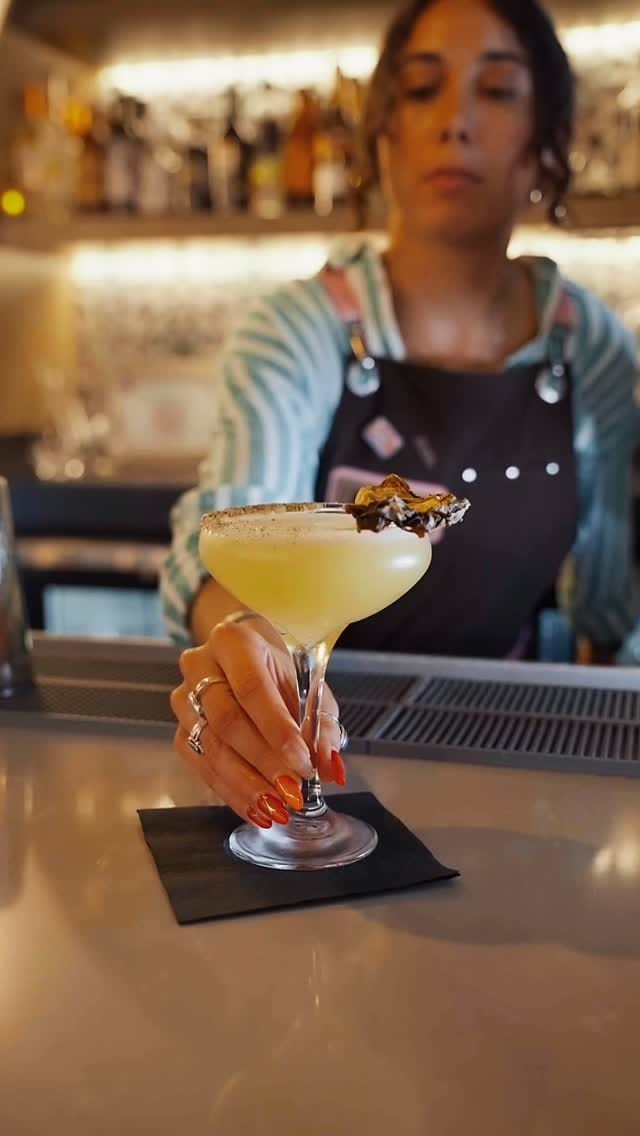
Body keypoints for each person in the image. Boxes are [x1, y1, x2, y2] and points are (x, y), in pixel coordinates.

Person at [166, 0, 639, 828]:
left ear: (545, 142)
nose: (454, 121)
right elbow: (229, 525)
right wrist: (240, 639)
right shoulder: (302, 329)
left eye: (498, 91)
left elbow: (607, 602)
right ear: (383, 136)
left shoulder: (588, 344)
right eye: (422, 90)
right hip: (324, 748)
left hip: (512, 769)